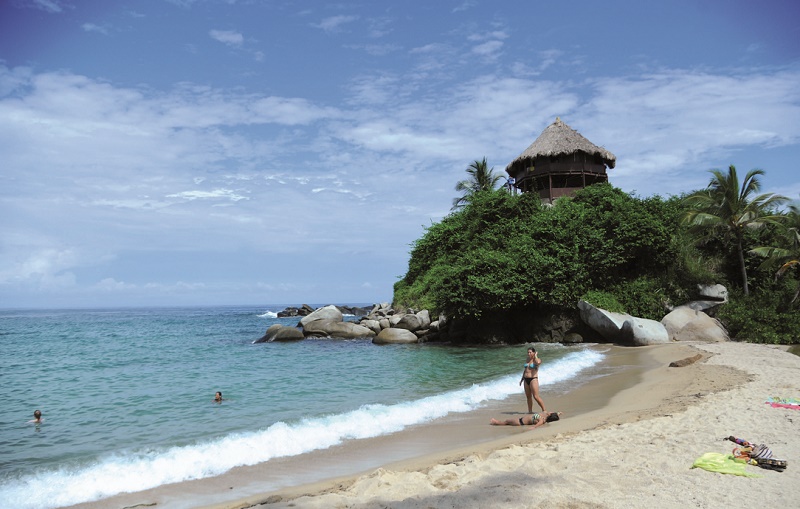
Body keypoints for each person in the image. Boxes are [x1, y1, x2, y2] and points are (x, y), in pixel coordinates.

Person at [520, 346, 546, 413]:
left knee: (536, 396)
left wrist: (536, 356)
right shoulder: (527, 359)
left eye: (530, 352)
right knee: (528, 397)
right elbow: (525, 370)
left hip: (533, 379)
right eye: (528, 352)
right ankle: (530, 411)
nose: (529, 354)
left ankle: (544, 410)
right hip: (526, 379)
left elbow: (538, 363)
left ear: (533, 352)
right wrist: (522, 379)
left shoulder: (536, 359)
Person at [491, 411, 561, 429]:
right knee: (507, 422)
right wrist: (558, 413)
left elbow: (538, 424)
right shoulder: (544, 417)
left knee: (506, 421)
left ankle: (495, 422)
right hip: (520, 420)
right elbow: (551, 413)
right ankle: (496, 422)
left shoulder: (542, 420)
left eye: (551, 413)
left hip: (520, 422)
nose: (550, 412)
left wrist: (534, 427)